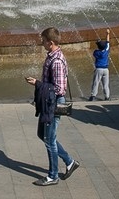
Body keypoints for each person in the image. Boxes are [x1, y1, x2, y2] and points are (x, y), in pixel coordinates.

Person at [25, 27, 80, 186]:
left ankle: (53, 175)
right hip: (48, 103)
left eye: (43, 41)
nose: (41, 43)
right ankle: (70, 162)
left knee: (49, 139)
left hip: (53, 104)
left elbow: (59, 89)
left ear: (50, 43)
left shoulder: (56, 61)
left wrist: (38, 83)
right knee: (43, 135)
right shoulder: (51, 56)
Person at [89, 28, 111, 101]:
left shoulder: (96, 52)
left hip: (98, 69)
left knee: (96, 83)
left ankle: (93, 96)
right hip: (106, 70)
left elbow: (97, 50)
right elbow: (107, 42)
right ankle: (107, 96)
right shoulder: (106, 51)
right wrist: (108, 34)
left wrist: (98, 42)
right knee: (105, 84)